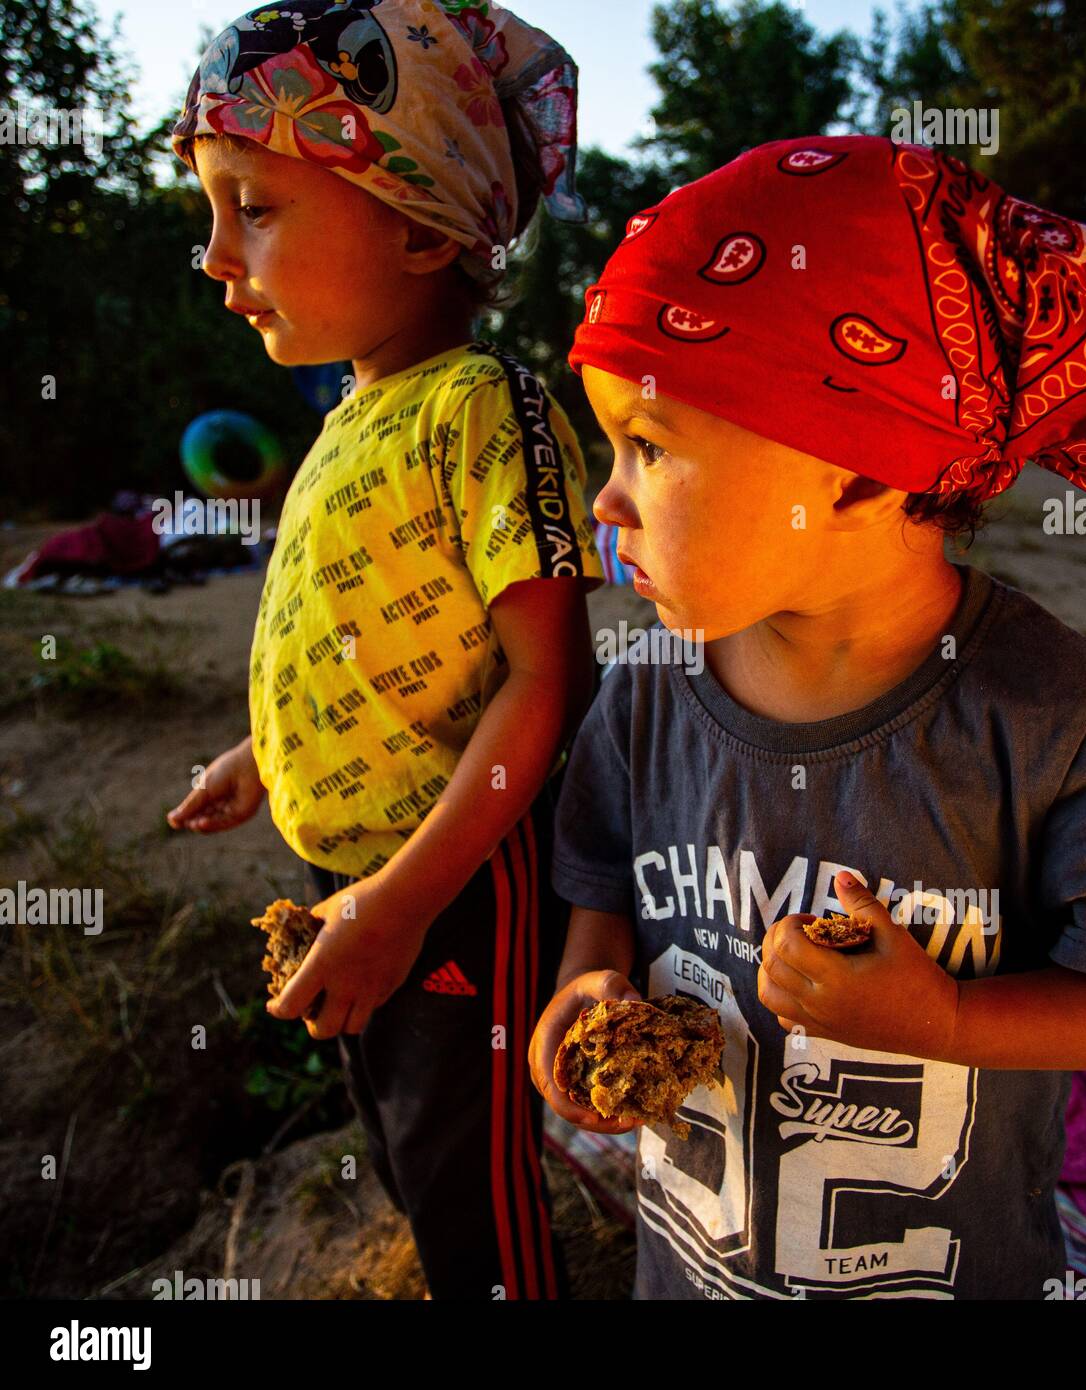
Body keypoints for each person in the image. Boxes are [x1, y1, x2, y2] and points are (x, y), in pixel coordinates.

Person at [527, 134, 1086, 1300]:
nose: (607, 499)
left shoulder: (1050, 714)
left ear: (861, 467)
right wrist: (583, 1000)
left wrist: (948, 1016)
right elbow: (596, 899)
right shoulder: (641, 694)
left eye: (650, 445)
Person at [165, 0, 605, 1300]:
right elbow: (367, 623)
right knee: (406, 1133)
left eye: (255, 206)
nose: (214, 253)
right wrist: (267, 748)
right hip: (343, 878)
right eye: (213, 210)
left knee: (470, 1176)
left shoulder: (484, 408)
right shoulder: (353, 416)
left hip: (453, 876)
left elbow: (547, 675)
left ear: (420, 224)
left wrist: (403, 901)